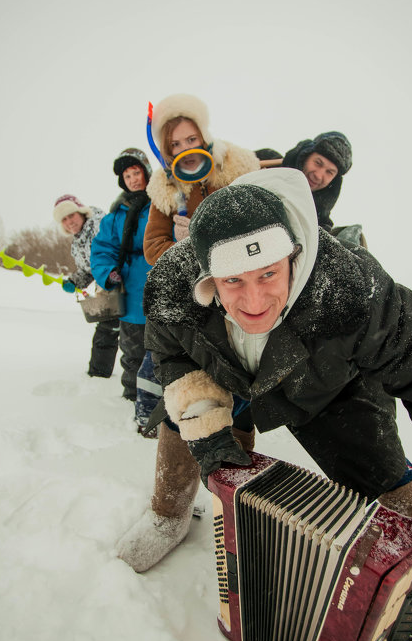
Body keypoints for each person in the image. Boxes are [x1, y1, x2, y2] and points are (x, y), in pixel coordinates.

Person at [117, 167, 412, 584]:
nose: (254, 301)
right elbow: (172, 352)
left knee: (390, 489)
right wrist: (201, 414)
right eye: (233, 280)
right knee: (184, 425)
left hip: (326, 389)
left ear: (294, 256)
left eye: (268, 273)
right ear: (206, 276)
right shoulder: (172, 286)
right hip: (227, 375)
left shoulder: (353, 289)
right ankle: (167, 516)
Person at [143, 93, 260, 265]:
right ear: (167, 149)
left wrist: (219, 243)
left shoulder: (237, 165)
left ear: (203, 137)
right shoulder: (164, 187)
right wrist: (190, 249)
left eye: (191, 139)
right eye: (175, 144)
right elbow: (153, 247)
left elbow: (263, 216)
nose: (185, 149)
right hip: (202, 281)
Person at [91, 148, 158, 433]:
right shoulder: (114, 215)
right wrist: (108, 273)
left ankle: (160, 403)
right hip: (130, 294)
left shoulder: (162, 203)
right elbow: (101, 249)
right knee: (132, 354)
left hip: (159, 290)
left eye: (136, 173)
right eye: (127, 175)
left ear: (146, 173)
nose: (132, 179)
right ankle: (132, 398)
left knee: (161, 353)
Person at [53, 194, 119, 378]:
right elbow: (89, 269)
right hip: (109, 291)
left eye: (71, 216)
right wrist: (75, 280)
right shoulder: (78, 241)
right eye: (64, 220)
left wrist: (113, 275)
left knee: (131, 334)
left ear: (81, 212)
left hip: (124, 283)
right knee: (107, 330)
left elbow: (114, 253)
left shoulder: (101, 225)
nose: (69, 222)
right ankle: (98, 377)